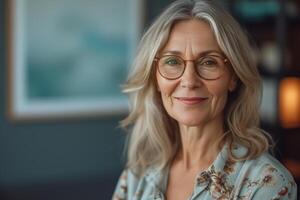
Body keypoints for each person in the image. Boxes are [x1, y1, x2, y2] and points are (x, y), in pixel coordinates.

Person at [112, 0, 297, 199]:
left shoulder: (267, 184)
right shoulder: (137, 175)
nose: (189, 81)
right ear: (155, 78)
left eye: (208, 62)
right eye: (172, 61)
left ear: (233, 77)